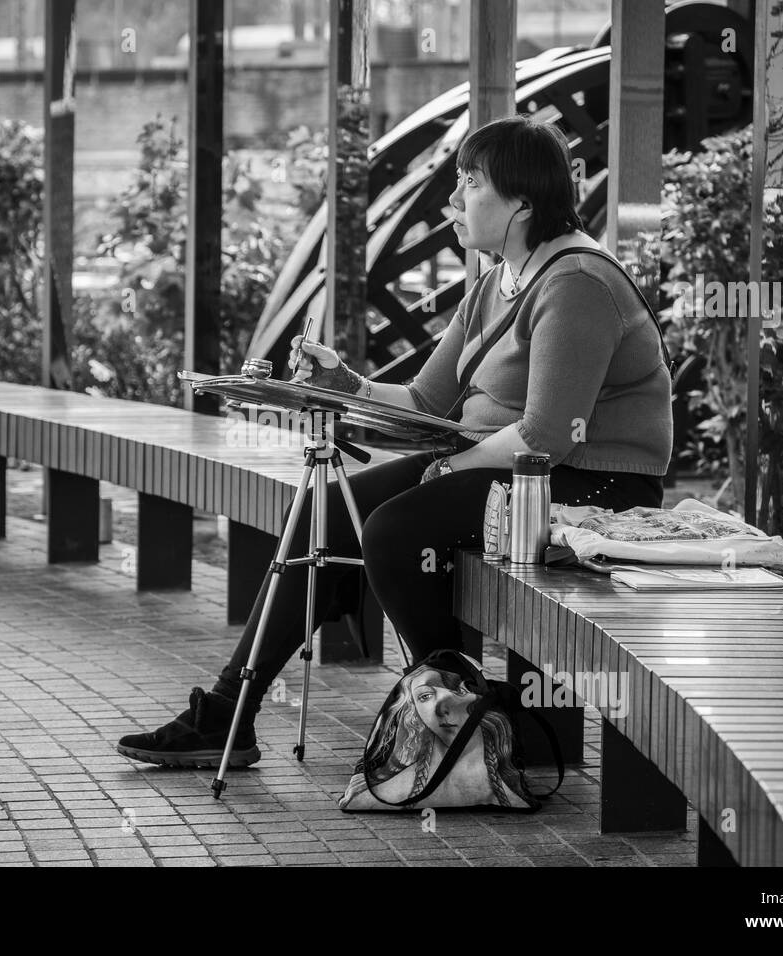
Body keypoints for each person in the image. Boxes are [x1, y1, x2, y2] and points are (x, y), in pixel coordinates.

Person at [115, 115, 673, 769]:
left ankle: (457, 714)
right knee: (329, 514)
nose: (453, 201)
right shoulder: (499, 280)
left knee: (393, 530)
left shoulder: (575, 284)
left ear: (521, 200)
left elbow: (547, 436)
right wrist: (343, 384)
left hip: (592, 482)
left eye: (469, 184)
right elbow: (426, 402)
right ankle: (227, 716)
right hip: (507, 471)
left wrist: (452, 465)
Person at [337, 667, 536, 810]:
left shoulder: (383, 791)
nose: (440, 708)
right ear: (413, 714)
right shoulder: (385, 789)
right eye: (424, 697)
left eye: (456, 693)